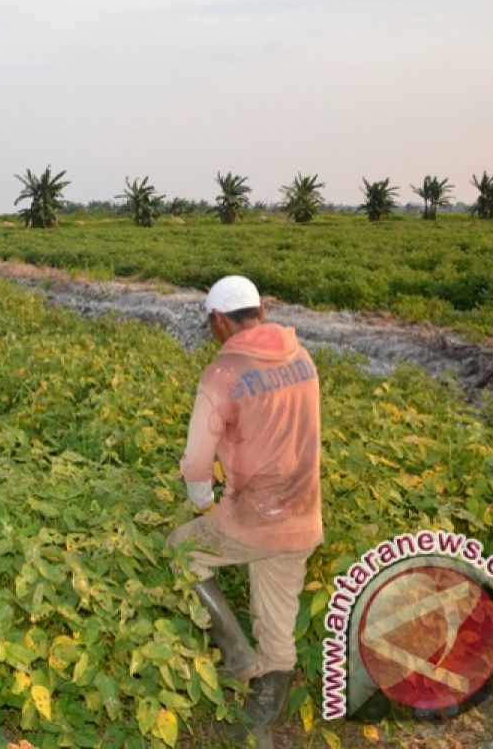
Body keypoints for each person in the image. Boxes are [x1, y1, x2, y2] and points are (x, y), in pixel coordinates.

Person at [167, 275, 323, 748]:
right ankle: (263, 716)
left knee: (181, 551)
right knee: (276, 624)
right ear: (262, 309)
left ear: (218, 321)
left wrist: (204, 506)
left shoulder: (223, 374)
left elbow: (196, 462)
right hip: (302, 514)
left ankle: (238, 661)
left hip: (252, 517)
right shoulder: (302, 358)